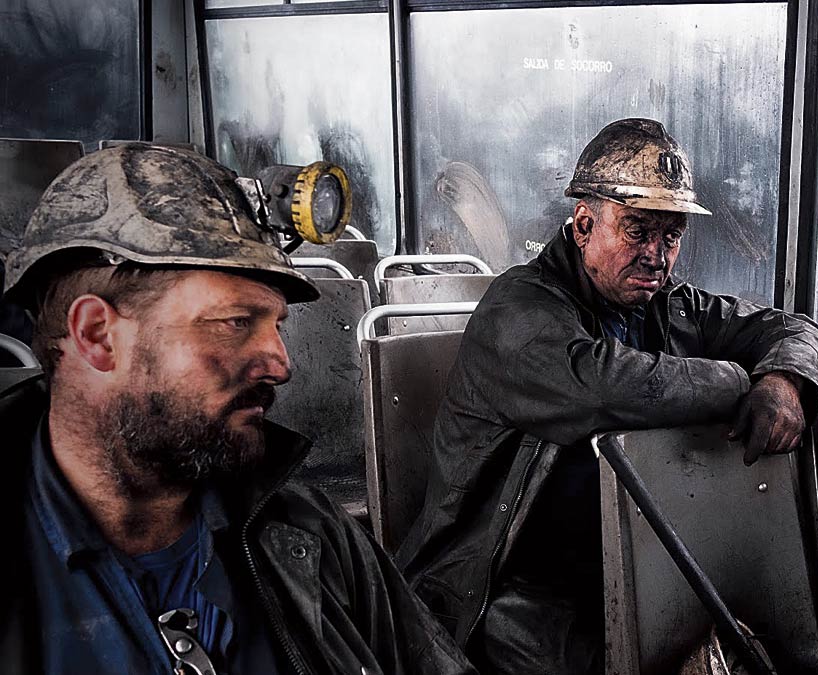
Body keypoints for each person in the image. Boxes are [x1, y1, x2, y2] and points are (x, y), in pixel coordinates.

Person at [0, 143, 474, 675]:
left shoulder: (308, 536)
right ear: (97, 335)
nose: (280, 364)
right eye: (234, 323)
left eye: (277, 326)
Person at [396, 118, 818, 674]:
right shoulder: (518, 310)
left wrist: (785, 381)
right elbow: (605, 385)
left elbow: (794, 329)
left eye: (671, 236)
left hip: (626, 558)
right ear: (582, 225)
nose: (656, 254)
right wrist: (740, 382)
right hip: (502, 577)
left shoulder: (666, 304)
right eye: (636, 231)